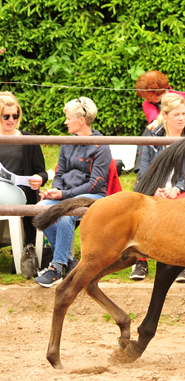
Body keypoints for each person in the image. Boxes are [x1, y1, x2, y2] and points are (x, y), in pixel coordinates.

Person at [35, 97, 112, 287]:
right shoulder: (67, 142)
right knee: (39, 209)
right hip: (67, 195)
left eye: (68, 118)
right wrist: (56, 190)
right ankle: (69, 261)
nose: (65, 122)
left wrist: (64, 196)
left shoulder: (101, 146)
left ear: (81, 120)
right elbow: (60, 173)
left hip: (92, 197)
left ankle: (57, 268)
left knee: (66, 215)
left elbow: (95, 185)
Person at [131, 93, 185, 282]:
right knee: (140, 206)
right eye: (176, 114)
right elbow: (143, 173)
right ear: (165, 115)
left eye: (184, 114)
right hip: (155, 189)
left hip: (181, 190)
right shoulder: (152, 138)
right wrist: (154, 189)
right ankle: (140, 260)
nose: (181, 118)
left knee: (180, 209)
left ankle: (180, 263)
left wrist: (177, 188)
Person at [0, 92, 48, 262]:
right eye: (6, 115)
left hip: (22, 195)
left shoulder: (27, 139)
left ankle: (27, 245)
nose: (11, 119)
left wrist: (39, 179)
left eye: (15, 115)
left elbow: (41, 172)